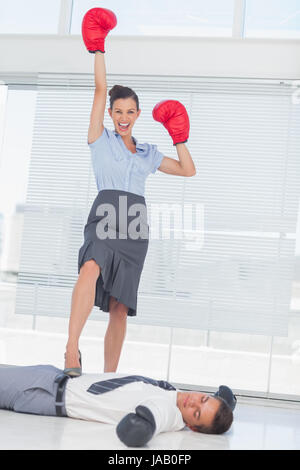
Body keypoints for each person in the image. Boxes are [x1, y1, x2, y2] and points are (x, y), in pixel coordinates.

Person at [64, 7, 196, 377]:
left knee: (120, 306)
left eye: (130, 111)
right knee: (90, 268)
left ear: (138, 115)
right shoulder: (99, 140)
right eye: (118, 111)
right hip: (106, 212)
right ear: (110, 114)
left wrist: (179, 137)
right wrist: (98, 48)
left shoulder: (148, 153)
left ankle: (108, 377)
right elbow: (100, 88)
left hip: (135, 224)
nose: (123, 116)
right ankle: (72, 350)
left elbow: (188, 170)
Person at [0, 364, 236, 447]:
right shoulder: (172, 393)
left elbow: (152, 419)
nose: (193, 401)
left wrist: (141, 428)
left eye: (196, 413)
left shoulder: (170, 412)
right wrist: (226, 401)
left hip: (45, 392)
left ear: (192, 427)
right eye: (203, 399)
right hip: (57, 376)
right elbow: (218, 402)